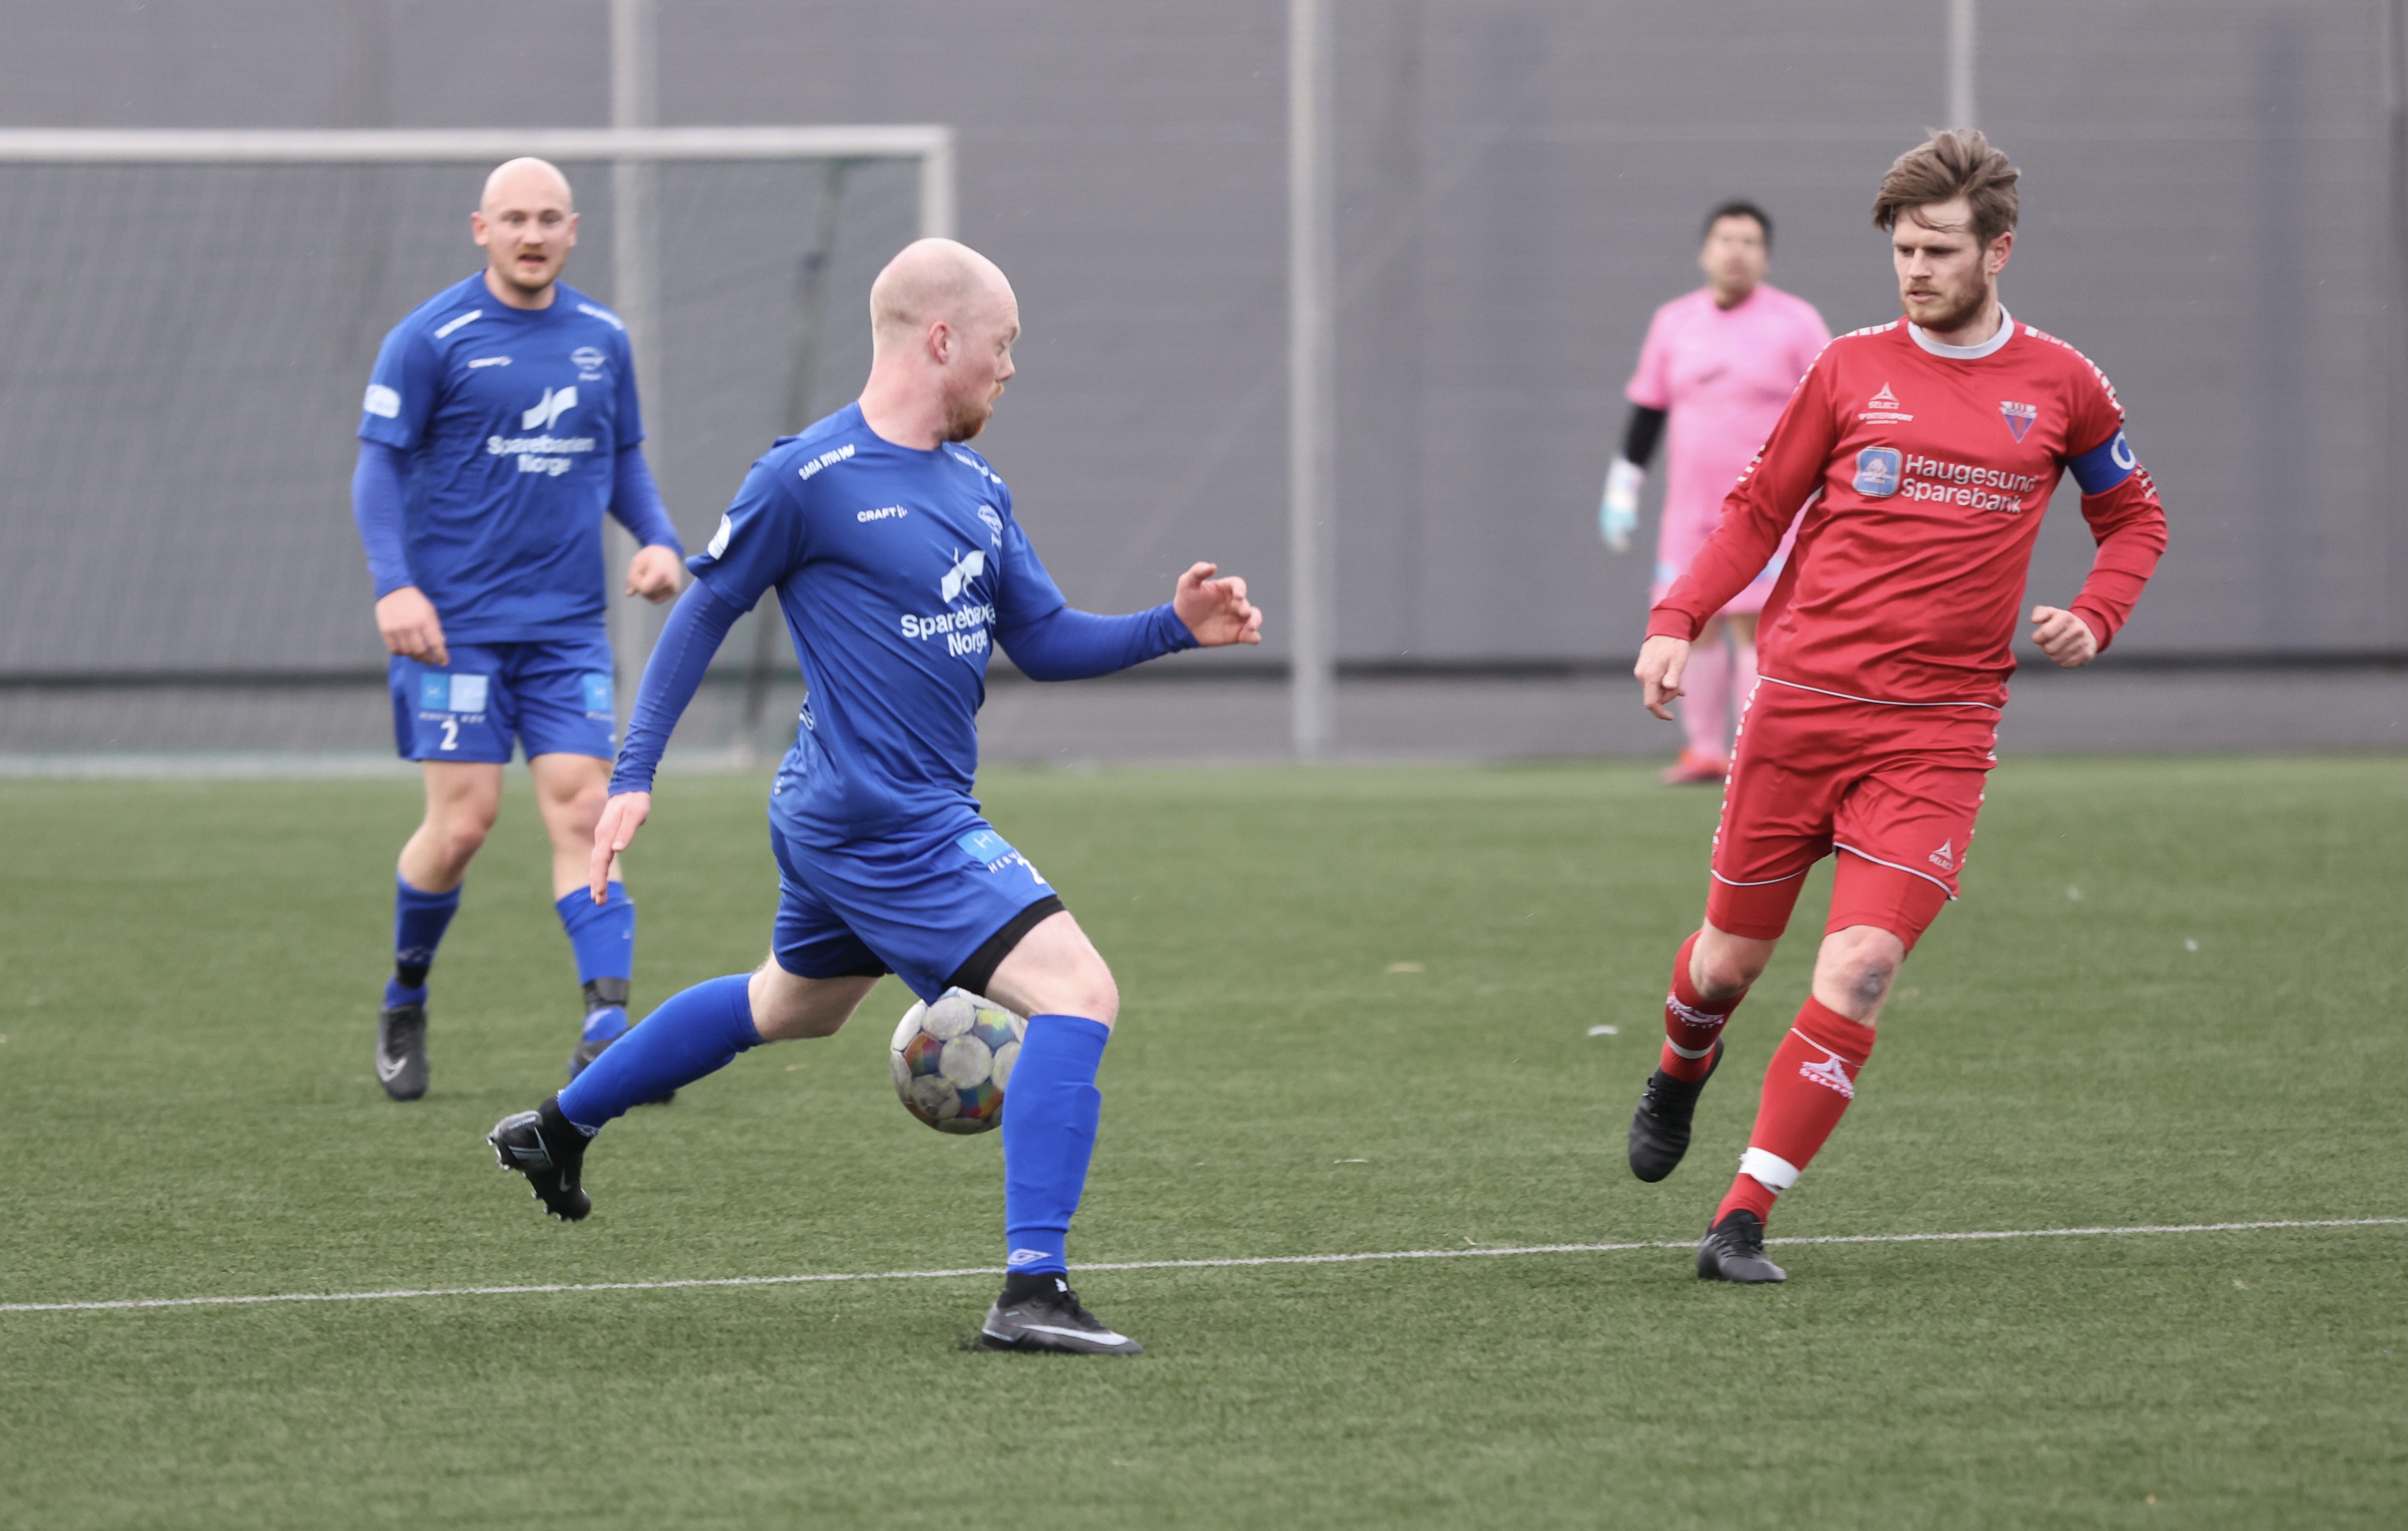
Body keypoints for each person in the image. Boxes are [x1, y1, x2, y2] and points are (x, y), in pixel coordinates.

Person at [485, 238, 1264, 1356]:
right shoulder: (807, 476)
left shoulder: (977, 488)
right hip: (880, 816)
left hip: (858, 810)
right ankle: (1031, 1288)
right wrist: (635, 773)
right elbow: (704, 612)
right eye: (1002, 346)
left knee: (789, 1004)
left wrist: (1170, 629)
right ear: (941, 338)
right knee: (1078, 992)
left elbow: (1040, 639)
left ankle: (556, 1127)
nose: (1009, 370)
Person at [1623, 131, 2168, 1282]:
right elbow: (1756, 513)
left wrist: (2097, 610)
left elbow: (2135, 521)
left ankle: (1741, 1219)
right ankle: (1681, 1064)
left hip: (1939, 732)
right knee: (1726, 963)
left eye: (1937, 249)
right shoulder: (1847, 370)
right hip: (1801, 712)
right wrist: (1676, 620)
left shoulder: (2063, 385)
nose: (1914, 270)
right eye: (1901, 250)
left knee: (1861, 965)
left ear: (1999, 251)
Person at [352, 158, 686, 1103]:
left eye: (548, 218)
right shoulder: (430, 338)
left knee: (584, 812)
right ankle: (406, 994)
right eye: (513, 219)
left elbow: (620, 458)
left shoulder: (602, 338)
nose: (531, 234)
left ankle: (608, 1025)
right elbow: (376, 471)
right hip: (453, 629)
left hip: (567, 626)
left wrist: (658, 539)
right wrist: (395, 588)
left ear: (572, 230)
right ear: (481, 229)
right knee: (462, 826)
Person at [1601, 201, 1829, 783]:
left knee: (1757, 625)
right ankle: (1704, 749)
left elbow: (1832, 407)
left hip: (1769, 512)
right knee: (1692, 624)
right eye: (1726, 239)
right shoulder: (1674, 323)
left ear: (1766, 256)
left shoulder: (1796, 323)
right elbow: (1647, 409)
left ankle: (1756, 749)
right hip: (1690, 512)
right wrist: (1622, 490)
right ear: (1705, 251)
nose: (1736, 251)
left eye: (1749, 241)